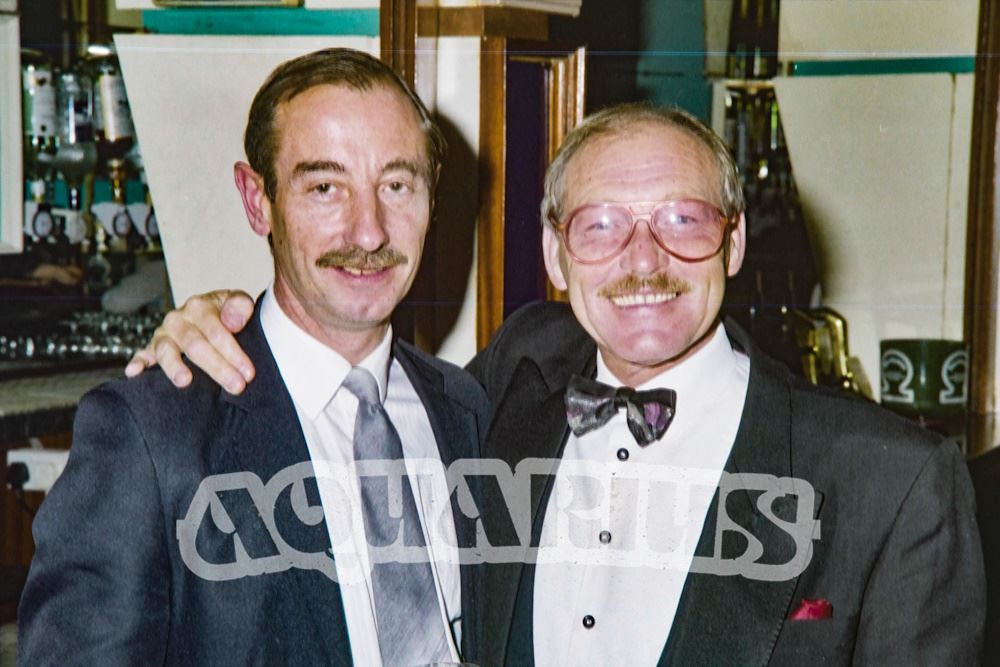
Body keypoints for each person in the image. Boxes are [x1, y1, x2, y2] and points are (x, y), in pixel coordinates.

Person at [126, 104, 986, 665]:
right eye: (601, 225)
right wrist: (223, 319)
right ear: (556, 257)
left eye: (682, 221)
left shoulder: (892, 479)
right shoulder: (503, 390)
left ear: (732, 245)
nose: (643, 261)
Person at [18, 48, 489, 666]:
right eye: (325, 187)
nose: (369, 232)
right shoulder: (153, 435)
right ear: (257, 200)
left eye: (397, 185)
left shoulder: (467, 410)